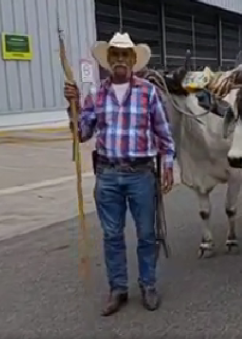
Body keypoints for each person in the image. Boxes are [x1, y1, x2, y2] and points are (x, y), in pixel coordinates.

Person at [63, 32, 175, 316]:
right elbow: (83, 133)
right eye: (115, 56)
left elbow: (164, 134)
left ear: (133, 60)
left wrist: (168, 165)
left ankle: (148, 284)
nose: (120, 61)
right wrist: (72, 107)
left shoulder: (148, 92)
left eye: (125, 55)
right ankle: (118, 289)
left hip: (141, 175)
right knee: (112, 235)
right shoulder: (96, 94)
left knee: (147, 234)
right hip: (108, 175)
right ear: (109, 61)